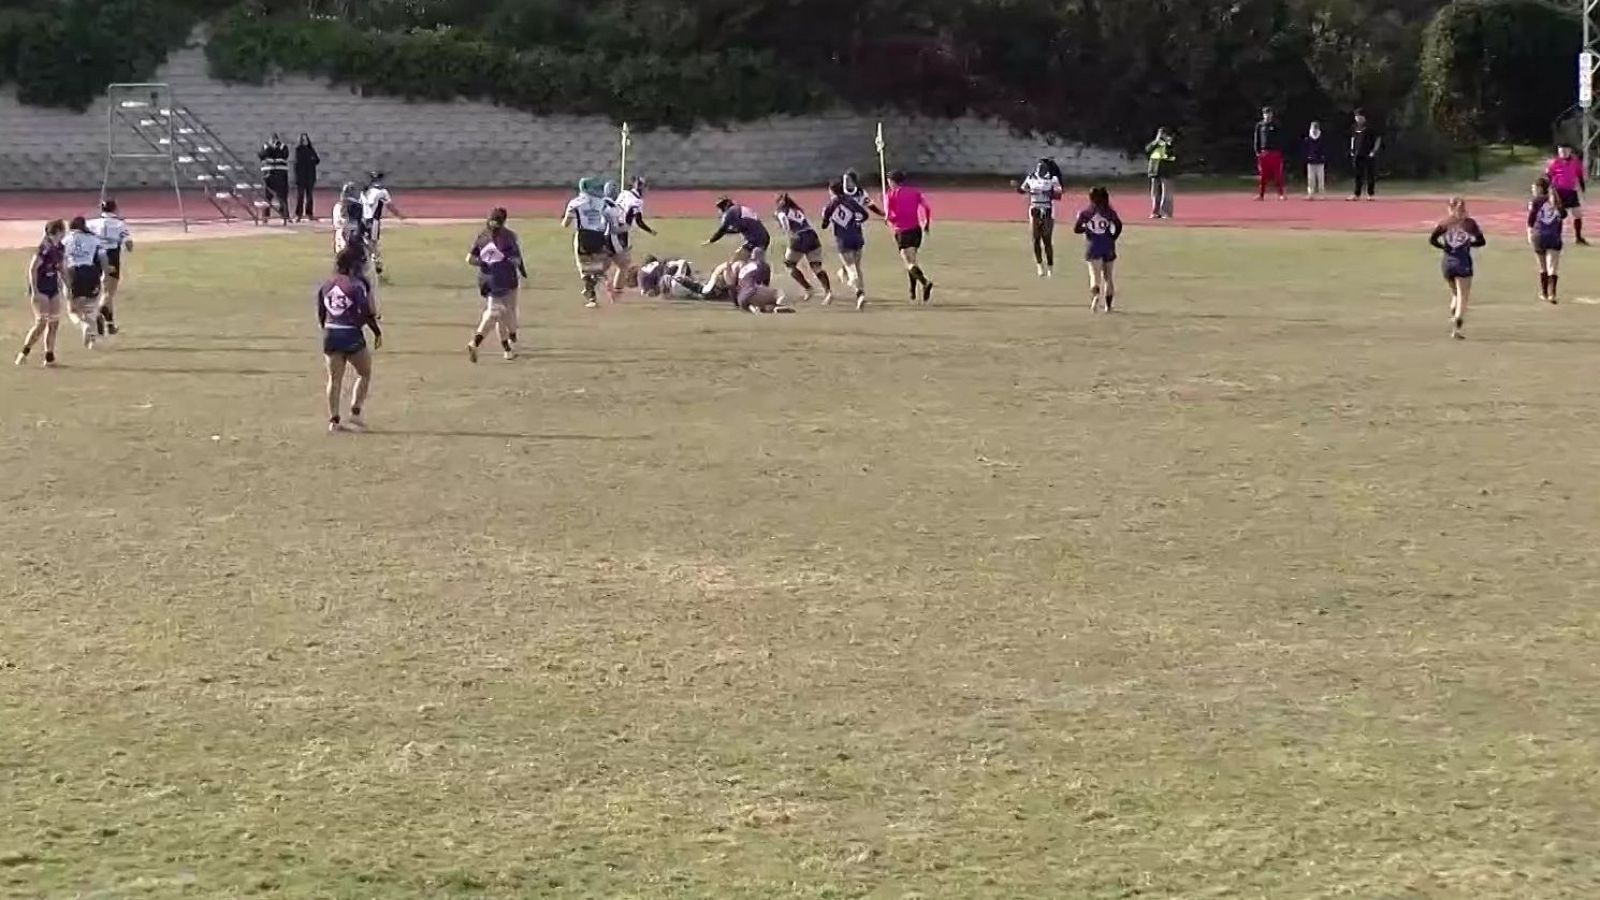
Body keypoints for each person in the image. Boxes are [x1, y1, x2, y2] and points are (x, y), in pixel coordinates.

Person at [317, 246, 382, 432]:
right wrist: (376, 331)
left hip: (330, 334)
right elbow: (366, 313)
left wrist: (327, 330)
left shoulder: (327, 284)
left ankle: (334, 420)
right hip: (350, 333)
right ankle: (355, 412)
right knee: (364, 372)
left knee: (334, 379)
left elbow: (321, 312)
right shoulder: (356, 285)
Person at [465, 207, 526, 362]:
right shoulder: (508, 236)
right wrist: (504, 260)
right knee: (504, 313)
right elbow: (516, 260)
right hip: (505, 278)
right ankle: (503, 343)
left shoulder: (482, 236)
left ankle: (508, 347)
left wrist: (484, 263)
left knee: (499, 314)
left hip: (487, 279)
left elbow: (470, 259)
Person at [1428, 197, 1487, 340]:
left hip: (1447, 262)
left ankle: (1453, 314)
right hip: (1462, 261)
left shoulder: (1444, 224)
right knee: (1463, 296)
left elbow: (1432, 240)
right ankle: (1457, 327)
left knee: (1455, 293)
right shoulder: (1469, 224)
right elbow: (1481, 241)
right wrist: (1469, 244)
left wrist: (1444, 247)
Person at [15, 219, 65, 367]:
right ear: (54, 233)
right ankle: (24, 352)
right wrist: (34, 290)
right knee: (41, 323)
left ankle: (49, 356)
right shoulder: (43, 249)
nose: (63, 235)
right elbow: (33, 269)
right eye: (62, 232)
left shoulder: (60, 248)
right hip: (41, 289)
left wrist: (67, 284)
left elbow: (61, 268)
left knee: (54, 323)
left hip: (53, 288)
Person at [562, 177, 615, 308]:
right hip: (599, 235)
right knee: (598, 266)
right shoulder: (601, 202)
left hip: (583, 236)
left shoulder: (575, 203)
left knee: (584, 268)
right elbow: (609, 217)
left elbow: (566, 223)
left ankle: (592, 297)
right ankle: (603, 281)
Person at [820, 180, 872, 309]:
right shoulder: (850, 201)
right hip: (857, 236)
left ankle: (859, 293)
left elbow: (824, 225)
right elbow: (865, 215)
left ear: (831, 191)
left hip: (843, 240)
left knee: (850, 267)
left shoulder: (830, 206)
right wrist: (856, 221)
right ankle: (861, 291)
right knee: (857, 266)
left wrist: (827, 217)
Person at [885, 170, 934, 303]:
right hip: (916, 230)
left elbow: (889, 215)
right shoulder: (914, 192)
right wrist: (926, 223)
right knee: (912, 261)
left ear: (892, 181)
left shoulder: (891, 194)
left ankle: (925, 282)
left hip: (902, 231)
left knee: (909, 263)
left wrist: (888, 219)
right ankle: (912, 290)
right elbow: (927, 208)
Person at [1073, 186, 1124, 313]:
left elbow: (1076, 229)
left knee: (1094, 276)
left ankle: (1095, 297)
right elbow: (1118, 225)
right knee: (1108, 277)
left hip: (1093, 245)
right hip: (1107, 244)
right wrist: (1113, 237)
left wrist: (1086, 229)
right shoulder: (1109, 212)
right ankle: (1108, 306)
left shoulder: (1086, 213)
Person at [773, 193, 832, 302]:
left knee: (789, 265)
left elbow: (784, 220)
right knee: (816, 267)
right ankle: (828, 292)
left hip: (799, 238)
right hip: (812, 235)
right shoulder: (797, 210)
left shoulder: (781, 211)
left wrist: (788, 233)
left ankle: (808, 288)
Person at [87, 199, 132, 336]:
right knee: (108, 292)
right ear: (115, 209)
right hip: (111, 256)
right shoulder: (120, 224)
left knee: (102, 292)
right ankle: (99, 314)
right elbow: (128, 243)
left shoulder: (91, 223)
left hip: (94, 257)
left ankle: (110, 324)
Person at [61, 216, 106, 348]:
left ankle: (84, 325)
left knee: (72, 310)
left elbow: (60, 258)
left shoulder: (66, 240)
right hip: (90, 272)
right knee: (89, 307)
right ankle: (92, 337)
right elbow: (103, 257)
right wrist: (106, 272)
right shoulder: (94, 239)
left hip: (73, 272)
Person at [1015, 157, 1064, 275]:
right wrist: (1017, 187)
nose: (1039, 169)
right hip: (1035, 208)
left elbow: (1059, 195)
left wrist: (1048, 193)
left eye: (1042, 167)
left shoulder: (1053, 179)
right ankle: (1039, 265)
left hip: (1047, 208)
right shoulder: (1031, 178)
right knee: (1035, 238)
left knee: (1046, 239)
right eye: (1038, 167)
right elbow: (1023, 189)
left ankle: (1050, 266)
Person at [608, 177, 656, 295]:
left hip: (612, 225)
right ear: (641, 188)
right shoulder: (636, 202)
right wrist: (650, 231)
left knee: (620, 258)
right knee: (623, 261)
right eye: (645, 188)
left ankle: (620, 281)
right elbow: (639, 221)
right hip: (623, 231)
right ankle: (618, 285)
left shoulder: (624, 193)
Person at [1528, 177, 1567, 304]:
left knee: (1542, 267)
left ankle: (1544, 293)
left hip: (1539, 236)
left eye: (1534, 187)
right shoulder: (1556, 202)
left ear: (1540, 188)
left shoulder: (1536, 201)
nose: (1532, 190)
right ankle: (1552, 294)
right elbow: (1563, 215)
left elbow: (1531, 219)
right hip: (1554, 237)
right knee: (1553, 267)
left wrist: (1529, 234)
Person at [705, 196, 773, 267]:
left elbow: (722, 229)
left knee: (735, 262)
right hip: (764, 238)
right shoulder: (740, 209)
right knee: (754, 263)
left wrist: (711, 240)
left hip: (754, 240)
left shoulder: (730, 212)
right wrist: (728, 231)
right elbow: (743, 227)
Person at [359, 172, 403, 279]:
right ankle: (375, 265)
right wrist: (399, 216)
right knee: (372, 244)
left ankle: (369, 265)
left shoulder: (364, 191)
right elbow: (389, 206)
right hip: (373, 221)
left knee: (365, 244)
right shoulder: (382, 192)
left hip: (362, 220)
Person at [1546, 144, 1587, 245]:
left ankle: (1578, 237)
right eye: (1560, 151)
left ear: (1570, 151)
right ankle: (1556, 237)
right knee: (1559, 215)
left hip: (1571, 191)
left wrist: (1582, 188)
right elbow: (1548, 176)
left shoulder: (1576, 162)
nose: (1562, 153)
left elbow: (1579, 175)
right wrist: (1550, 191)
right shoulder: (1555, 162)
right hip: (1558, 192)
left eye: (1564, 151)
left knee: (1577, 214)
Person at [734, 247, 791, 314]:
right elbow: (765, 285)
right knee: (778, 293)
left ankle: (756, 309)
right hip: (752, 291)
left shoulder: (745, 266)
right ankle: (778, 306)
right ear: (762, 256)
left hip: (741, 299)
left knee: (755, 299)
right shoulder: (763, 265)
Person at [1254, 107, 1286, 201]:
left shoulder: (1276, 125)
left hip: (1275, 153)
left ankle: (1281, 194)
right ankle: (1261, 195)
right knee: (1263, 176)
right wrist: (1257, 151)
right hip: (1264, 153)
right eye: (1265, 114)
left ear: (1272, 114)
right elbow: (1257, 139)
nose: (1267, 115)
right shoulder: (1259, 125)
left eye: (1269, 113)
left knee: (1278, 175)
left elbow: (1282, 139)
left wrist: (1280, 151)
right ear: (1263, 115)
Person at [1349, 110, 1381, 200]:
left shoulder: (1370, 127)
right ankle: (1356, 194)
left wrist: (1374, 151)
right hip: (1357, 154)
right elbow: (1353, 138)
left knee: (1370, 175)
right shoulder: (1354, 127)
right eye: (1356, 116)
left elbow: (1378, 139)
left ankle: (1370, 194)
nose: (1357, 118)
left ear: (1363, 117)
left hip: (1368, 154)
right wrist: (1352, 149)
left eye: (1358, 116)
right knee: (1358, 175)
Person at [258, 133, 291, 225]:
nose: (273, 141)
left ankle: (285, 215)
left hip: (281, 173)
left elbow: (284, 155)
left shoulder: (283, 146)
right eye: (272, 139)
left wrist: (276, 148)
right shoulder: (265, 146)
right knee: (267, 196)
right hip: (268, 173)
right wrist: (270, 148)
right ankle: (265, 216)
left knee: (282, 196)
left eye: (274, 139)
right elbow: (262, 155)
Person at [1145, 128, 1176, 219]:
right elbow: (1147, 150)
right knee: (1155, 194)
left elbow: (1172, 155)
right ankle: (1155, 212)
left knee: (1166, 194)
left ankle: (1166, 213)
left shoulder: (1171, 144)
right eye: (1160, 134)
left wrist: (1168, 144)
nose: (1162, 136)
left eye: (1164, 135)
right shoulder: (1155, 144)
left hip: (1166, 171)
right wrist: (1156, 142)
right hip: (1154, 171)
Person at [293, 133, 321, 222]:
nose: (305, 141)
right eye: (303, 140)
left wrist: (312, 160)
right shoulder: (298, 150)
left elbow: (317, 160)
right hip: (301, 177)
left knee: (309, 196)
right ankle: (298, 214)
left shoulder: (311, 149)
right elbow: (297, 163)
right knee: (300, 196)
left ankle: (309, 213)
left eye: (306, 139)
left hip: (310, 176)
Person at [1304, 122, 1328, 199]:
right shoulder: (1307, 138)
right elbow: (1305, 149)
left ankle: (1321, 194)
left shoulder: (1322, 137)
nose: (1314, 129)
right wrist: (1307, 157)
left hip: (1320, 161)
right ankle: (1310, 193)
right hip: (1310, 161)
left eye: (1316, 128)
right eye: (1313, 127)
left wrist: (1323, 156)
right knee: (1311, 179)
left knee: (1321, 178)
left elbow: (1325, 148)